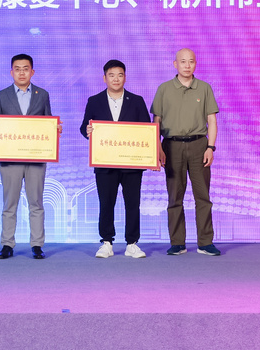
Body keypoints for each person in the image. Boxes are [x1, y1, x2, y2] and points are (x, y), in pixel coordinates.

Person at [150, 48, 221, 257]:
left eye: (191, 61)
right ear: (175, 64)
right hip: (171, 146)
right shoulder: (164, 89)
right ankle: (177, 242)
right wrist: (158, 148)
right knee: (174, 196)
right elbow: (156, 122)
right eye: (183, 61)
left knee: (203, 196)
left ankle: (205, 242)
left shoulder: (204, 88)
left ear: (195, 64)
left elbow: (212, 121)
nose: (187, 65)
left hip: (199, 145)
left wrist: (210, 147)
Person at [79, 59, 152, 259]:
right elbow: (84, 127)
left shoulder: (136, 101)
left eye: (120, 75)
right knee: (106, 203)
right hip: (105, 162)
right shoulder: (94, 101)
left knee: (132, 204)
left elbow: (147, 130)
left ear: (125, 77)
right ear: (104, 78)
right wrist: (88, 131)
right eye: (111, 75)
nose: (116, 79)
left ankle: (132, 243)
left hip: (132, 163)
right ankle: (106, 242)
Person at [0, 54, 57, 259]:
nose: (21, 72)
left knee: (36, 203)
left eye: (25, 69)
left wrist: (55, 130)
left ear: (32, 72)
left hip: (36, 158)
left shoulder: (42, 94)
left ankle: (37, 244)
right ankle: (7, 244)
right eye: (17, 69)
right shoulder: (1, 96)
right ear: (11, 72)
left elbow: (48, 123)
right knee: (9, 204)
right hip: (10, 159)